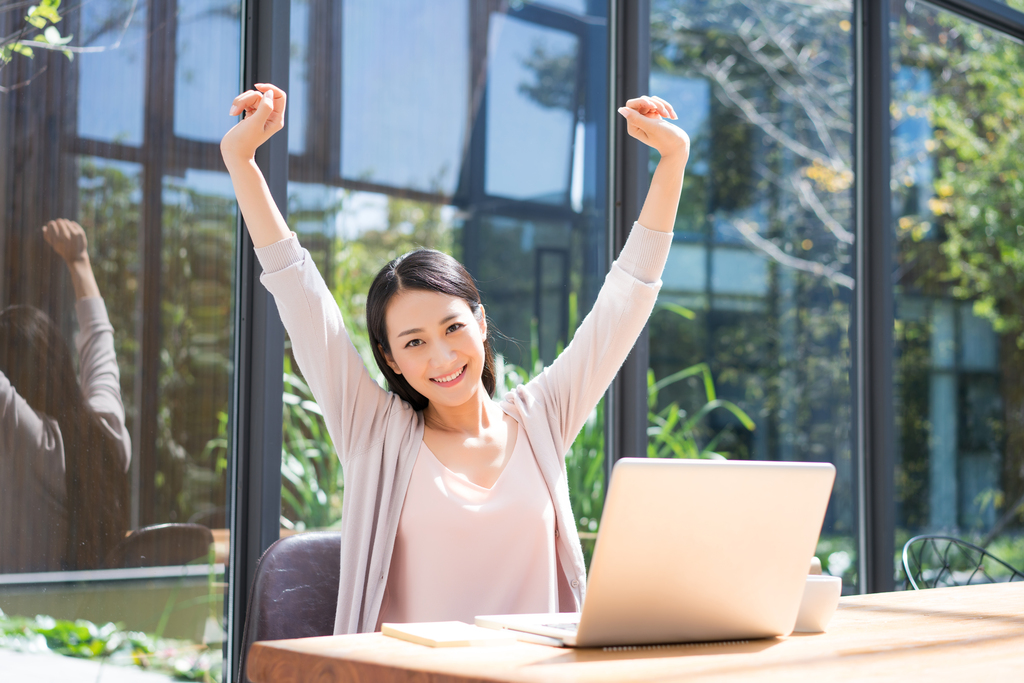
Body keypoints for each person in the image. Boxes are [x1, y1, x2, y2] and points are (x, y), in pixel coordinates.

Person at [221, 84, 689, 633]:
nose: (442, 356)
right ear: (390, 359)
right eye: (413, 342)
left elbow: (627, 297)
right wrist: (242, 161)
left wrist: (673, 161)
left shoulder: (543, 419)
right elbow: (298, 293)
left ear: (482, 324)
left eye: (453, 327)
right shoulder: (374, 431)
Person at [0, 219, 131, 573]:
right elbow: (99, 343)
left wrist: (79, 260)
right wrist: (79, 260)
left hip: (20, 625)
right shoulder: (108, 432)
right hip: (91, 624)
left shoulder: (29, 439)